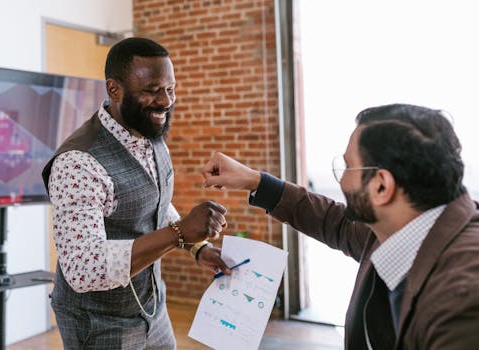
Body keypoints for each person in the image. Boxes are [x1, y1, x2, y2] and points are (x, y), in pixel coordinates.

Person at [201, 104, 479, 349]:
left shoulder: (462, 300)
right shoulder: (403, 228)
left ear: (382, 185)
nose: (342, 181)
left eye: (347, 168)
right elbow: (335, 221)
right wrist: (255, 181)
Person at [42, 37, 229, 349]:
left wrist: (198, 247)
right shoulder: (77, 163)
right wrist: (180, 232)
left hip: (152, 309)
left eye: (170, 89)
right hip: (98, 323)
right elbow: (82, 269)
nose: (166, 101)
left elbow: (153, 205)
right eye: (152, 91)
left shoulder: (149, 133)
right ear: (114, 90)